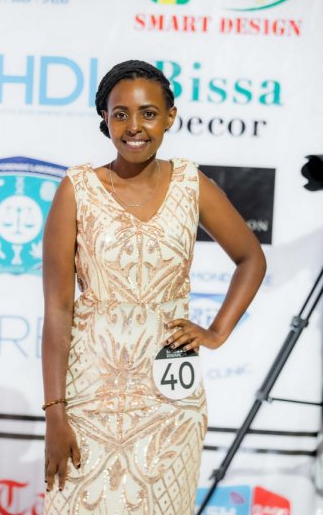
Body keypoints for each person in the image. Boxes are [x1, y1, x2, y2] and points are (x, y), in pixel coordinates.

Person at [42, 60, 266, 514]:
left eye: (148, 113)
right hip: (90, 395)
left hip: (170, 403)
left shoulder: (191, 183)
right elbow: (58, 310)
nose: (134, 126)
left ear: (170, 117)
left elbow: (251, 259)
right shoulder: (77, 188)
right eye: (120, 114)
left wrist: (216, 332)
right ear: (104, 119)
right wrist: (55, 413)